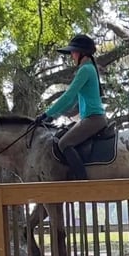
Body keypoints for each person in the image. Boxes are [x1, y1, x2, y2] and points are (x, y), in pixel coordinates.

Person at [34, 33, 107, 180]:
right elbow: (73, 100)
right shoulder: (89, 68)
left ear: (82, 53)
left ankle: (82, 181)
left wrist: (46, 114)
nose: (72, 55)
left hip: (93, 119)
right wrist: (54, 115)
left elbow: (68, 96)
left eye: (73, 52)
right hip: (90, 118)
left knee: (64, 143)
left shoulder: (85, 70)